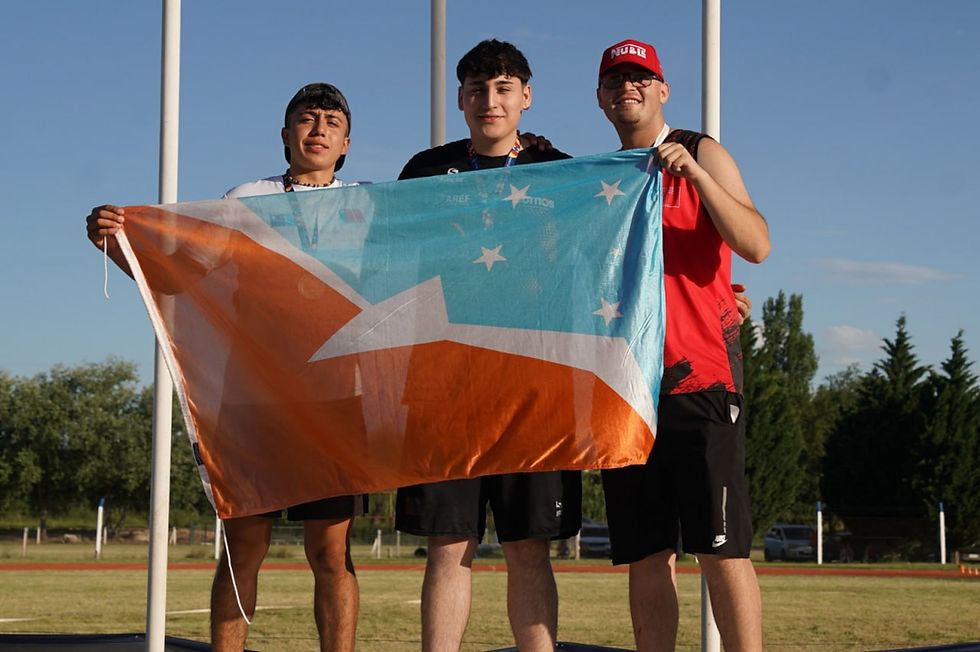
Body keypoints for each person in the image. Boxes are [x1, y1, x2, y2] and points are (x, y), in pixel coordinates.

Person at [86, 82, 366, 652]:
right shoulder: (246, 196)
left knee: (331, 552)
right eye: (306, 119)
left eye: (331, 122)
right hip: (253, 395)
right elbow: (185, 271)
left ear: (346, 143)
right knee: (243, 545)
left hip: (334, 395)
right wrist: (117, 244)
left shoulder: (372, 203)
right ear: (285, 135)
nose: (318, 128)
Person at [394, 39, 582, 652]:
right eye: (477, 89)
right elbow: (378, 255)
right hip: (446, 383)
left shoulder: (566, 171)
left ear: (526, 97)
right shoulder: (424, 170)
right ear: (460, 99)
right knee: (450, 545)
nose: (489, 100)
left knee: (528, 548)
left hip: (535, 381)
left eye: (503, 88)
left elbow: (615, 252)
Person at [595, 39, 770, 652]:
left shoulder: (701, 151)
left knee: (722, 551)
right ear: (600, 97)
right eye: (615, 80)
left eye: (641, 78)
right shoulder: (599, 178)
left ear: (663, 89)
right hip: (627, 389)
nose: (628, 89)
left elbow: (756, 243)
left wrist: (695, 174)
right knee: (647, 556)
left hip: (702, 383)